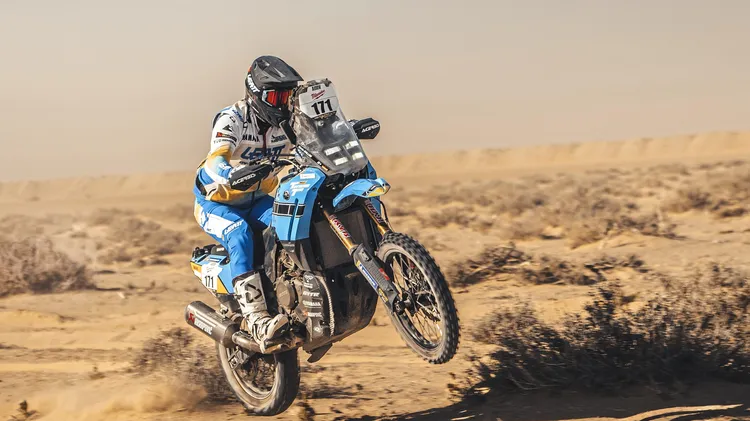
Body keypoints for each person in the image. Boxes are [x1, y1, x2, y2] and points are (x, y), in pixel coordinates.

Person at [193, 56, 301, 352]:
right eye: (276, 97)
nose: (283, 104)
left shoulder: (289, 122)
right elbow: (216, 159)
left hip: (258, 200)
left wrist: (345, 131)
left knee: (291, 222)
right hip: (217, 203)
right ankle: (256, 319)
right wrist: (232, 173)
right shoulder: (233, 118)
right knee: (239, 233)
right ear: (256, 94)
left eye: (288, 96)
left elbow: (316, 138)